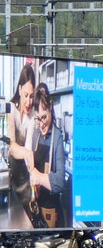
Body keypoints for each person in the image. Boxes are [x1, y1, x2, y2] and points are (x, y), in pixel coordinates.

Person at [28, 83, 69, 230]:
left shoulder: (57, 137)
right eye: (38, 119)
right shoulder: (36, 134)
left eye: (44, 117)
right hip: (36, 205)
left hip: (51, 211)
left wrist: (38, 177)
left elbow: (59, 183)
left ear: (51, 108)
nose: (41, 124)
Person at [5, 63, 38, 229]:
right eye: (26, 95)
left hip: (25, 186)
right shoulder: (9, 110)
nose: (29, 101)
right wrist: (26, 153)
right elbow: (11, 146)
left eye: (32, 96)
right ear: (19, 90)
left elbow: (29, 147)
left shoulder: (32, 117)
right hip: (10, 183)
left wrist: (34, 181)